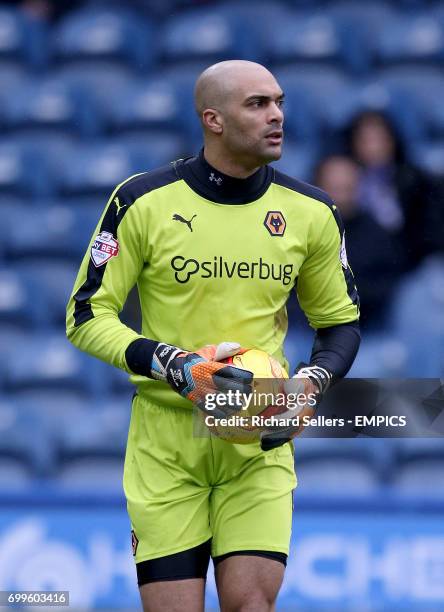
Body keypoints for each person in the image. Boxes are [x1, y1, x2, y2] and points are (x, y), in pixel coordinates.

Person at [66, 60, 360, 612]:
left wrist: (312, 383)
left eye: (279, 102)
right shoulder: (142, 201)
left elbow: (338, 322)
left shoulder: (313, 212)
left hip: (259, 435)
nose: (276, 116)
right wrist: (173, 363)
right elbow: (86, 315)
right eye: (257, 104)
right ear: (213, 119)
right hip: (168, 439)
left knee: (253, 605)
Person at [345, 110, 442, 270]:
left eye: (380, 140)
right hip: (360, 264)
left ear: (392, 141)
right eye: (366, 140)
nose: (374, 147)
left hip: (409, 263)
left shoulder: (416, 181)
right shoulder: (343, 178)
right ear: (353, 143)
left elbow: (430, 233)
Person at [315, 154, 402, 329]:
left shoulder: (376, 233)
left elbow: (388, 285)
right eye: (334, 187)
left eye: (346, 187)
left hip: (365, 326)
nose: (340, 195)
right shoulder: (298, 228)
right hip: (304, 326)